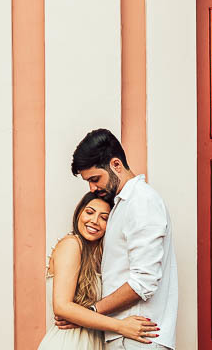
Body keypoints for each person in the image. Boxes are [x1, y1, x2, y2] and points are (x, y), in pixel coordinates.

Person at [60, 129, 178, 349]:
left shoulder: (141, 202)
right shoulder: (122, 204)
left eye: (95, 179)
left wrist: (90, 312)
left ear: (116, 165)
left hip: (138, 336)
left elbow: (143, 282)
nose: (93, 188)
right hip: (127, 335)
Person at [38, 192, 160, 349]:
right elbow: (62, 307)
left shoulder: (100, 258)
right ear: (79, 213)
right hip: (69, 343)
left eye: (104, 218)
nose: (94, 221)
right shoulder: (71, 245)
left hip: (93, 341)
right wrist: (121, 326)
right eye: (89, 212)